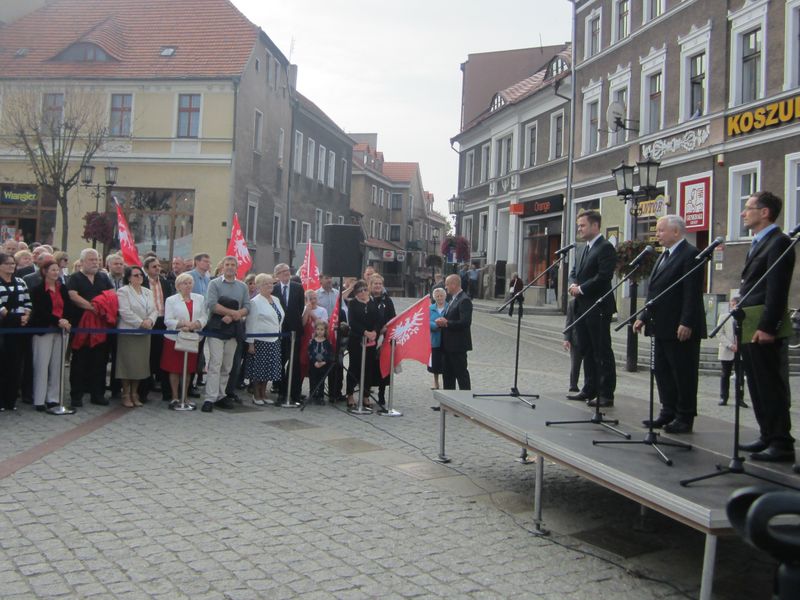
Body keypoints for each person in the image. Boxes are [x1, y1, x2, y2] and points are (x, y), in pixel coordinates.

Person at [737, 191, 796, 463]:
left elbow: (776, 290)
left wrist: (768, 327)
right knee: (757, 384)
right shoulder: (758, 242)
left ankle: (781, 441)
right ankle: (767, 434)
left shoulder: (779, 242)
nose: (743, 213)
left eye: (749, 208)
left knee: (770, 384)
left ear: (765, 213)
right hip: (748, 324)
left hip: (763, 326)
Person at [634, 215, 707, 434]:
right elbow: (655, 291)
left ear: (676, 232)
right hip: (660, 325)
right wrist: (643, 316)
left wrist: (686, 321)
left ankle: (684, 416)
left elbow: (691, 292)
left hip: (679, 327)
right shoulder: (663, 256)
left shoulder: (690, 254)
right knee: (662, 370)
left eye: (661, 230)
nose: (657, 234)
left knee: (682, 372)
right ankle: (668, 411)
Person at [566, 210, 617, 408]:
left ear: (595, 226)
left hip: (598, 306)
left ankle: (605, 393)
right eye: (578, 225)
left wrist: (581, 288)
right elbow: (574, 272)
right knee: (586, 348)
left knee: (601, 349)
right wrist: (572, 285)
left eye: (583, 225)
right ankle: (589, 387)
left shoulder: (605, 248)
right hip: (582, 307)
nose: (579, 228)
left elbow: (604, 276)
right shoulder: (581, 248)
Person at [201, 256, 250, 412]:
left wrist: (237, 315)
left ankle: (221, 396)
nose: (230, 267)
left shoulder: (242, 286)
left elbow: (247, 306)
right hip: (216, 328)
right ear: (222, 267)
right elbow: (212, 304)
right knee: (215, 363)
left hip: (234, 330)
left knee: (227, 365)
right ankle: (210, 398)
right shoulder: (214, 283)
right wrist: (231, 313)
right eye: (227, 264)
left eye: (233, 265)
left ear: (237, 268)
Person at [67, 248, 113, 407]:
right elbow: (73, 296)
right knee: (79, 361)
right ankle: (76, 395)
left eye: (97, 260)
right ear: (82, 262)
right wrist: (92, 307)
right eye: (91, 260)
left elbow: (111, 294)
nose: (95, 262)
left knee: (99, 362)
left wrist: (102, 307)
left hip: (101, 327)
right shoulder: (75, 278)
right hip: (81, 326)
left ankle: (97, 394)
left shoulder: (103, 277)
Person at [29, 257, 72, 411]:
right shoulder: (38, 290)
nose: (56, 272)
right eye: (53, 270)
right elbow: (40, 311)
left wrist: (65, 320)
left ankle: (53, 398)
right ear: (44, 272)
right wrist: (57, 320)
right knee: (41, 365)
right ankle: (39, 399)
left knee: (57, 365)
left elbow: (68, 307)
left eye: (57, 269)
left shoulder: (63, 288)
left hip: (61, 331)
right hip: (44, 330)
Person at [162, 272, 207, 408]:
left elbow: (205, 316)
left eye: (190, 283)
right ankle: (175, 396)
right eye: (184, 283)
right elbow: (168, 320)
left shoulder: (199, 298)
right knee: (174, 369)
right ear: (178, 286)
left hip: (193, 338)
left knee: (188, 369)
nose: (188, 286)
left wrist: (197, 324)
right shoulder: (171, 300)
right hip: (174, 339)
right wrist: (183, 324)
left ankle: (185, 396)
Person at [115, 266, 157, 408]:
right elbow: (124, 311)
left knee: (140, 365)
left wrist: (150, 321)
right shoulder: (123, 291)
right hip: (129, 332)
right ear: (128, 277)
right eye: (135, 275)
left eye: (140, 275)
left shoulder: (148, 292)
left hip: (145, 334)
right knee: (127, 364)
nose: (139, 277)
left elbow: (154, 310)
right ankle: (126, 393)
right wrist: (140, 323)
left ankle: (135, 393)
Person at [0, 252, 32, 411]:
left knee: (15, 363)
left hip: (19, 327)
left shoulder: (21, 281)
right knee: (2, 363)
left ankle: (10, 400)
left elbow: (27, 301)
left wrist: (26, 315)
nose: (11, 266)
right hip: (3, 326)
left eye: (13, 263)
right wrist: (12, 317)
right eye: (7, 263)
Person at [245, 274, 283, 406]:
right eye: (266, 284)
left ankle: (263, 393)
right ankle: (256, 394)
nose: (269, 286)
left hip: (274, 339)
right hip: (260, 340)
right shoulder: (255, 302)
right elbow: (251, 323)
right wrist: (251, 343)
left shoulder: (276, 299)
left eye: (271, 283)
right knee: (259, 369)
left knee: (268, 368)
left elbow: (279, 317)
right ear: (259, 286)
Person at [143, 256, 175, 402]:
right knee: (147, 355)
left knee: (163, 355)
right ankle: (144, 389)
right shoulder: (142, 282)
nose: (157, 269)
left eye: (158, 266)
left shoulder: (165, 282)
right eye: (154, 266)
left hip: (163, 321)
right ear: (147, 269)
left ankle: (166, 390)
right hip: (148, 321)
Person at [273, 263, 304, 404]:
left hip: (294, 331)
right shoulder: (274, 289)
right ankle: (281, 391)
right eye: (282, 271)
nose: (286, 273)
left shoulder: (298, 288)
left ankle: (295, 393)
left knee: (294, 362)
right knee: (280, 361)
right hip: (279, 332)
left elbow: (300, 307)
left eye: (287, 271)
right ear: (277, 275)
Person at [435, 273, 473, 391]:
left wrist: (446, 323)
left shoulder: (464, 300)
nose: (445, 287)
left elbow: (465, 322)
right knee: (448, 375)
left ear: (454, 284)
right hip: (447, 346)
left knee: (461, 374)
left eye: (447, 284)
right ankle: (447, 402)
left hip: (457, 346)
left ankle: (465, 401)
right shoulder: (452, 299)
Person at [346, 279, 378, 409]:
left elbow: (378, 319)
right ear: (356, 293)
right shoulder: (353, 304)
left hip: (371, 339)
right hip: (356, 339)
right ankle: (350, 394)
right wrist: (365, 332)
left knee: (369, 368)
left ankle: (365, 395)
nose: (363, 292)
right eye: (360, 290)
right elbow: (352, 322)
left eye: (365, 289)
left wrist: (374, 331)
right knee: (355, 366)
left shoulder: (372, 302)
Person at [369, 273, 395, 406]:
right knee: (369, 366)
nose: (378, 286)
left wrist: (386, 328)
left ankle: (381, 393)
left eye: (380, 284)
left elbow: (393, 318)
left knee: (383, 367)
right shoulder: (367, 299)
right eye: (375, 284)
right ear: (371, 285)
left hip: (384, 338)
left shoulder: (387, 301)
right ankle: (366, 393)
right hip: (370, 337)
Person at [717, 296, 747, 408]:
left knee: (740, 376)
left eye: (736, 304)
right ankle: (723, 397)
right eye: (732, 304)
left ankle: (740, 399)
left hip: (741, 350)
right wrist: (730, 345)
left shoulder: (744, 318)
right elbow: (719, 334)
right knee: (725, 374)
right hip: (727, 350)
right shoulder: (724, 317)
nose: (733, 306)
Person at [308, 320, 334, 404]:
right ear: (315, 330)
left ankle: (320, 396)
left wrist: (324, 362)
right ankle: (312, 395)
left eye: (322, 329)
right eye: (318, 329)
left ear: (325, 330)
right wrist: (314, 362)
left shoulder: (327, 342)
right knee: (313, 380)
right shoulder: (312, 341)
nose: (319, 331)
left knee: (321, 381)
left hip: (323, 365)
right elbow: (310, 352)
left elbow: (329, 353)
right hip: (313, 365)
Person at [428, 287, 447, 390]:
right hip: (434, 339)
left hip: (447, 339)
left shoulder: (449, 307)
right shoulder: (430, 308)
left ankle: (446, 382)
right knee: (435, 363)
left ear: (445, 296)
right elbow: (426, 322)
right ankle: (436, 382)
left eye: (441, 296)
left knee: (445, 362)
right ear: (434, 297)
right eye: (437, 296)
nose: (440, 298)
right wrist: (437, 325)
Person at [563, 298, 583, 394]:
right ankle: (573, 385)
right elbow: (569, 321)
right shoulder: (572, 303)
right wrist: (566, 339)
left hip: (589, 337)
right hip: (575, 338)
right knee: (575, 364)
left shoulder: (590, 301)